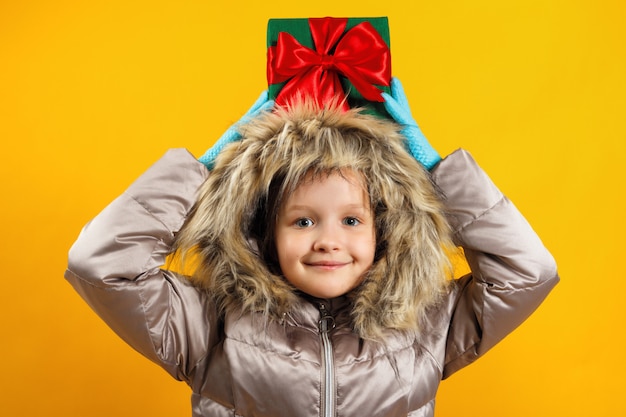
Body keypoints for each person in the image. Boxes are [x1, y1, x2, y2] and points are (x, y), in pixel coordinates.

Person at [65, 78, 559, 417]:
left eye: (351, 220)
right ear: (264, 233)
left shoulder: (425, 325)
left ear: (383, 232)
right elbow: (102, 263)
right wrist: (206, 166)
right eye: (302, 220)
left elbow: (527, 272)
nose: (328, 240)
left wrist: (434, 168)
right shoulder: (209, 327)